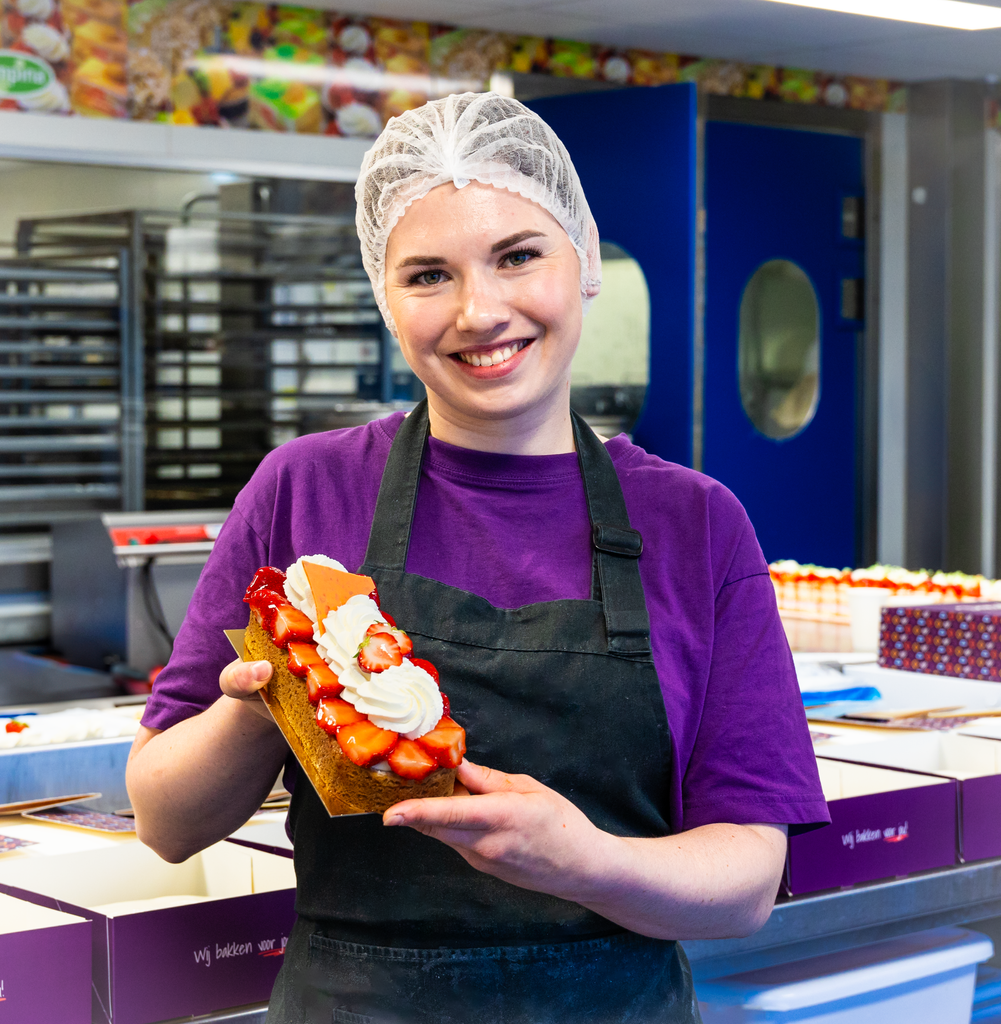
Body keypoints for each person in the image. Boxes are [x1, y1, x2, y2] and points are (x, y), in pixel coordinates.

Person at [127, 93, 829, 1024]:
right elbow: (166, 823)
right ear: (388, 299)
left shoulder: (696, 524)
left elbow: (746, 880)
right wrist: (271, 701)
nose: (479, 310)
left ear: (584, 262)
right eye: (428, 275)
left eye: (517, 256)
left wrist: (584, 861)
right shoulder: (304, 491)